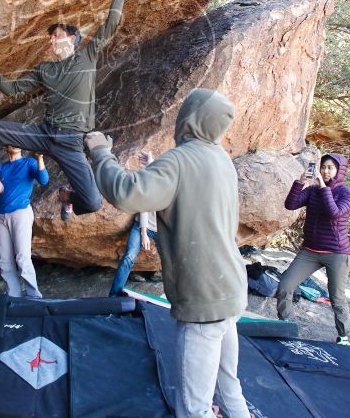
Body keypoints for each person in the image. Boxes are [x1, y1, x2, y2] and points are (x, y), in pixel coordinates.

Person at [85, 89, 250, 418]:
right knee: (230, 387)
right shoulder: (221, 159)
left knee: (193, 409)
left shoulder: (181, 160)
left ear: (188, 117)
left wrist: (100, 152)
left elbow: (126, 193)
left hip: (203, 298)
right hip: (231, 289)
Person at [0, 0, 132, 220]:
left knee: (92, 204)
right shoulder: (44, 70)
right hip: (44, 134)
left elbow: (110, 24)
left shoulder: (87, 56)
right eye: (51, 37)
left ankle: (66, 197)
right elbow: (13, 89)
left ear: (71, 38)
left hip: (72, 143)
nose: (51, 40)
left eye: (56, 35)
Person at [277, 153, 350, 345]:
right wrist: (299, 182)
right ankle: (284, 323)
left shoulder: (348, 194)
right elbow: (291, 204)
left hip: (337, 253)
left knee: (336, 297)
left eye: (330, 167)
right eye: (323, 167)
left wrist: (323, 187)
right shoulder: (313, 190)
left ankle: (344, 336)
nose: (325, 170)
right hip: (311, 251)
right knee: (285, 285)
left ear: (339, 171)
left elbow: (334, 213)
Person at [0, 145, 49, 298]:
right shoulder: (2, 167)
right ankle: (13, 296)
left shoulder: (29, 163)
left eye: (16, 142)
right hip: (2, 214)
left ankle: (35, 297)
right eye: (10, 142)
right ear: (5, 148)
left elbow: (44, 180)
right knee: (3, 259)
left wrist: (40, 158)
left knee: (22, 257)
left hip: (21, 212)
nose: (14, 144)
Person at [109, 150, 160, 297]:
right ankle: (113, 296)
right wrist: (144, 233)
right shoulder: (150, 185)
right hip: (141, 226)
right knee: (129, 257)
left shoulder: (173, 188)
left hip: (160, 230)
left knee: (171, 259)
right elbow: (143, 205)